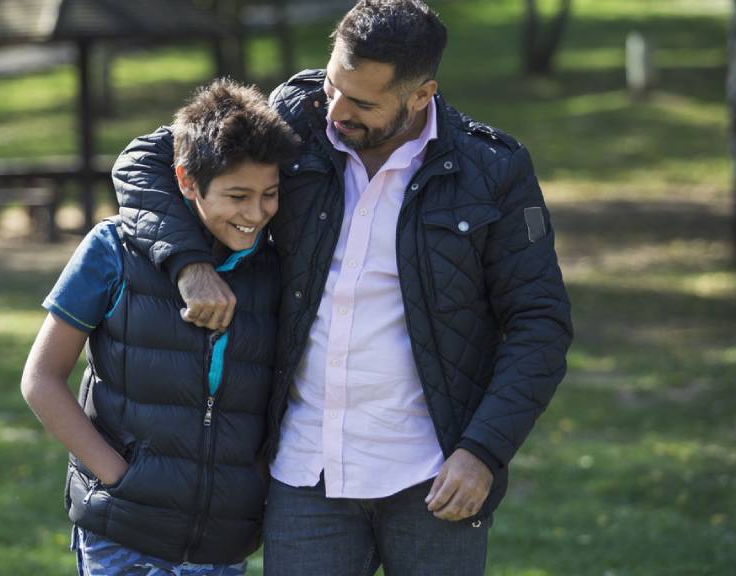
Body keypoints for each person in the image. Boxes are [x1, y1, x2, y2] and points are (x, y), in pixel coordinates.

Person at [111, 1, 574, 574]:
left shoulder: (492, 169)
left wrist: (483, 452)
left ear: (421, 95)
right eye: (333, 85)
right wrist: (189, 266)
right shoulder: (296, 115)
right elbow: (143, 161)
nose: (335, 110)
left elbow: (539, 323)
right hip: (305, 473)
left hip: (435, 476)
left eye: (361, 102)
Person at [20, 78, 300, 576]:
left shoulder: (277, 272)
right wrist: (116, 475)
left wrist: (252, 483)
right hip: (121, 537)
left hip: (221, 547)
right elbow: (40, 379)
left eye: (270, 195)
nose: (256, 214)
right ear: (187, 181)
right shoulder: (113, 249)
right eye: (238, 196)